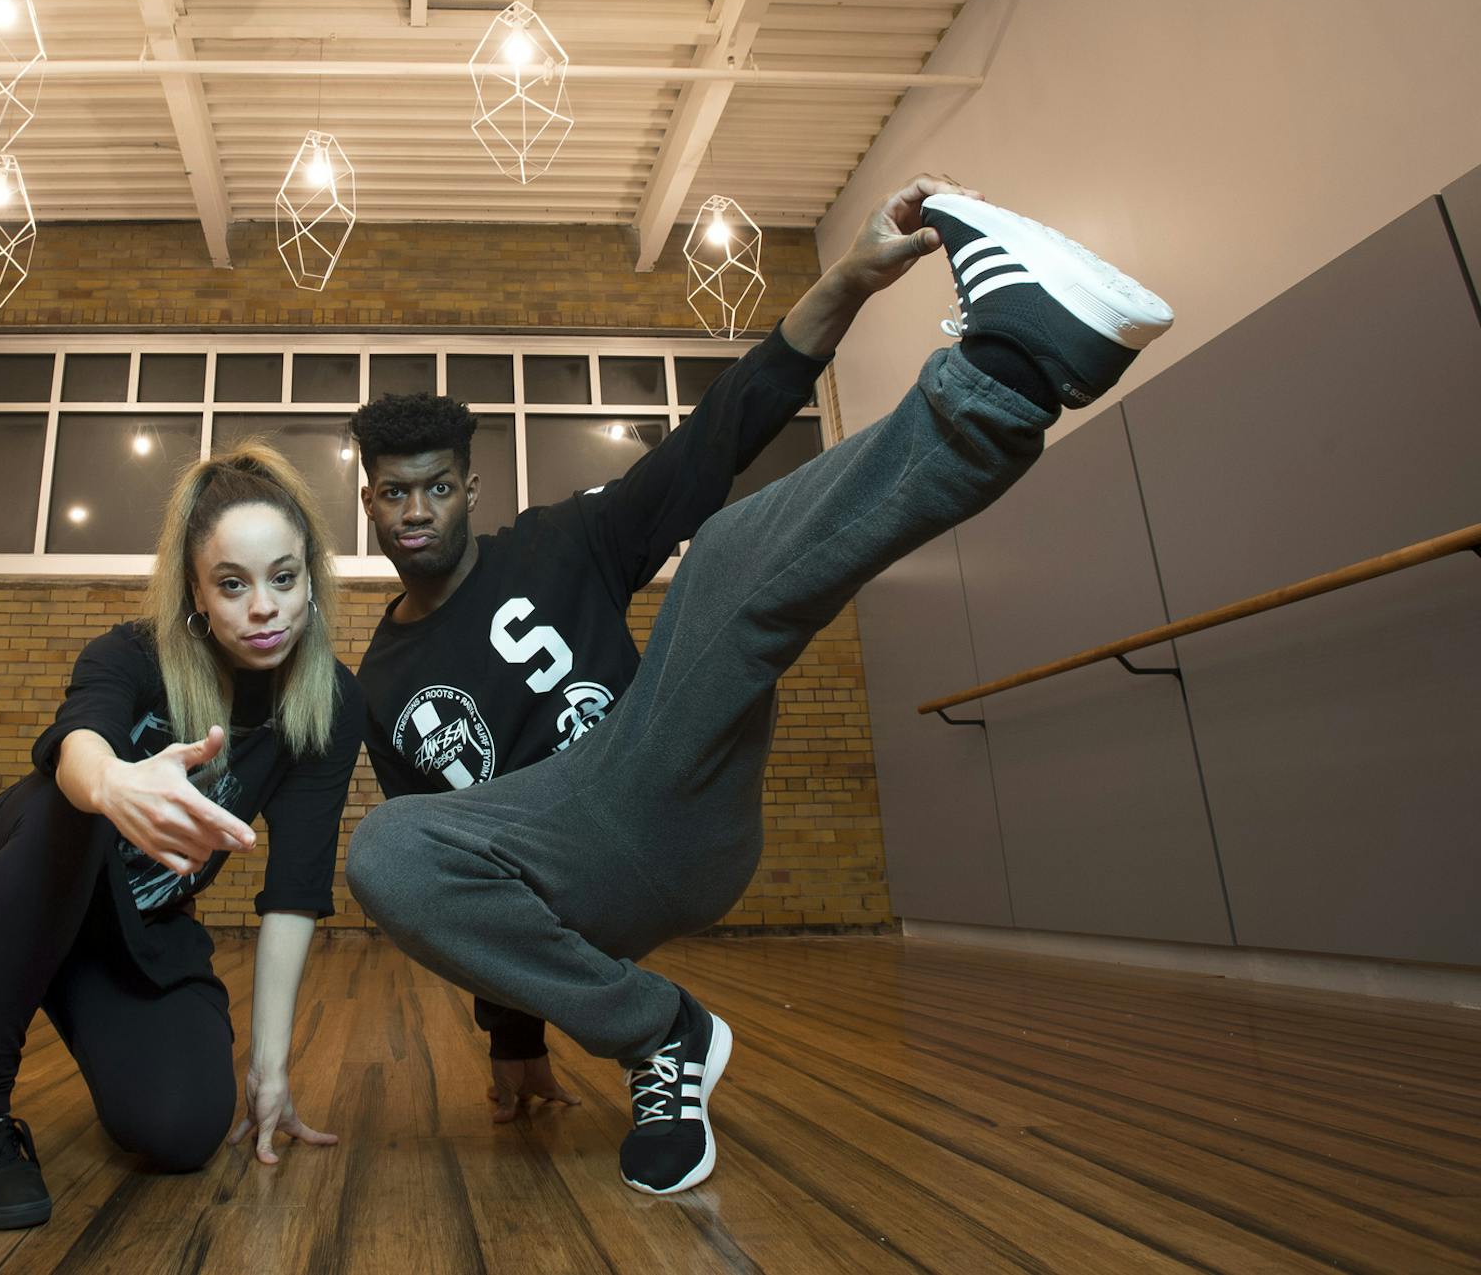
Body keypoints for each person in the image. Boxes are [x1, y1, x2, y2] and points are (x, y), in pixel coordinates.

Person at [344, 179, 1173, 1195]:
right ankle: (660, 1036)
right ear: (370, 502)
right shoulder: (380, 677)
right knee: (384, 846)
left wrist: (851, 278)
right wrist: (512, 1032)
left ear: (470, 486)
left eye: (437, 484)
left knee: (727, 550)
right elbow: (448, 863)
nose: (417, 508)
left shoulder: (563, 540)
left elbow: (720, 435)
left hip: (674, 786)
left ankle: (1010, 371)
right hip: (564, 873)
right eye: (395, 491)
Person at [0, 441, 365, 1229]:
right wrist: (116, 783)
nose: (264, 606)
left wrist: (270, 1071)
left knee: (184, 1128)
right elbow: (78, 744)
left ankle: (47, 983)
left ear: (311, 577)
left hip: (131, 933)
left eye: (283, 578)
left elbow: (294, 891)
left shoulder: (328, 705)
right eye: (232, 584)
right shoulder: (133, 653)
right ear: (195, 592)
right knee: (72, 798)